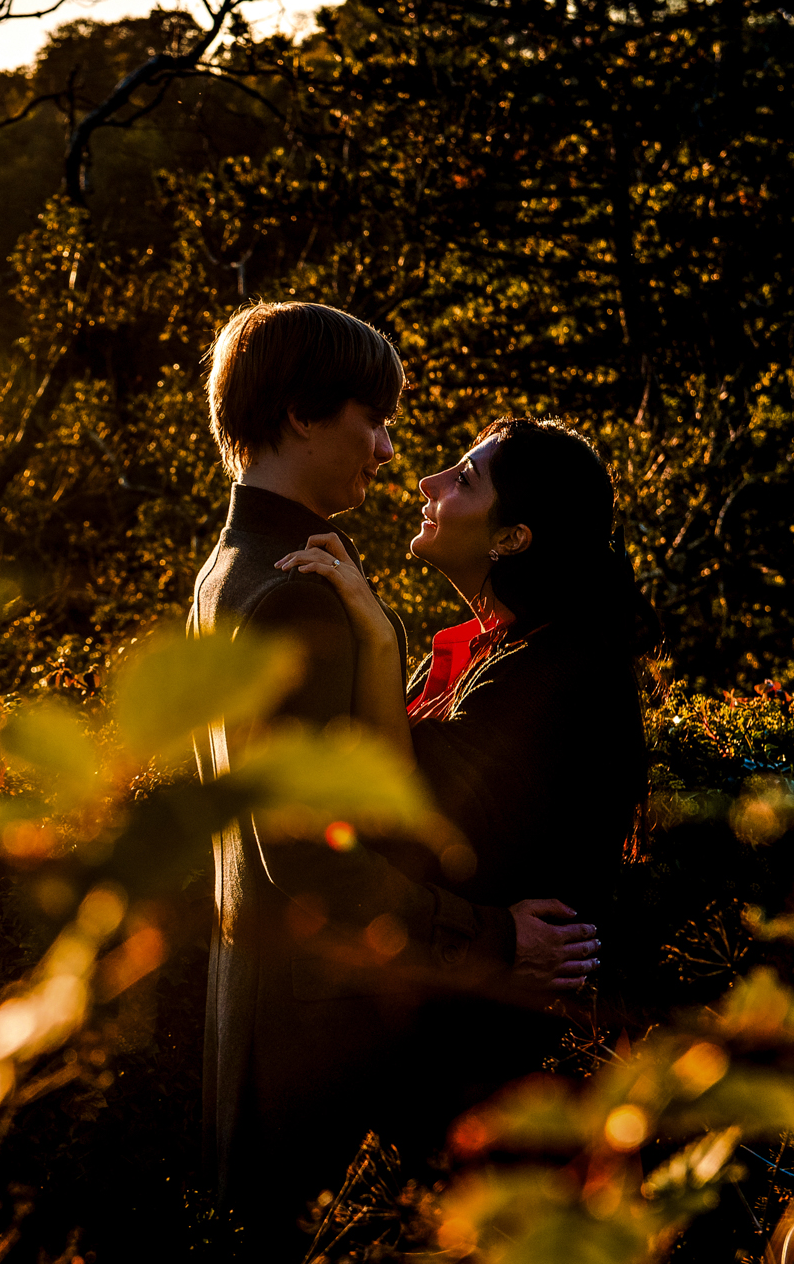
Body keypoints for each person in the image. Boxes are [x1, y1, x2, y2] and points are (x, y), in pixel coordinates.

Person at [187, 303, 599, 1236]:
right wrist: (494, 936)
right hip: (316, 1047)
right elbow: (310, 852)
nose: (385, 451)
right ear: (301, 411)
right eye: (372, 420)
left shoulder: (229, 569)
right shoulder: (297, 595)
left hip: (251, 1019)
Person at [277, 416, 655, 1151]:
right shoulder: (488, 649)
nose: (429, 483)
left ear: (512, 537)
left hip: (509, 1070)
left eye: (463, 478)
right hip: (457, 1042)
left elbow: (414, 814)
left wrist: (378, 635)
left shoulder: (559, 670)